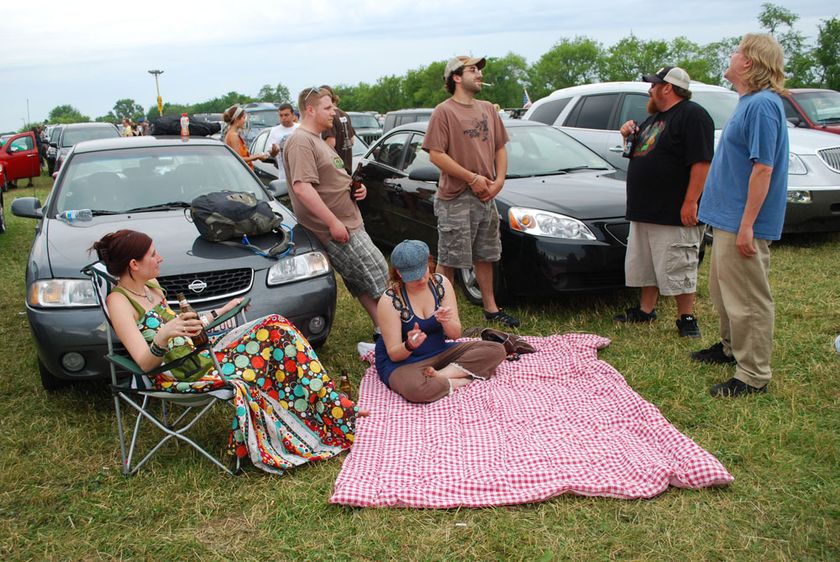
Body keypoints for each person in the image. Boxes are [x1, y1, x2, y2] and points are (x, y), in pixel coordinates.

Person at [91, 229, 363, 474]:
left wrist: (222, 311)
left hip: (201, 356)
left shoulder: (152, 288)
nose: (160, 258)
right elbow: (145, 363)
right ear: (134, 264)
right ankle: (330, 413)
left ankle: (330, 406)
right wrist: (162, 336)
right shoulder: (119, 302)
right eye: (153, 254)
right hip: (180, 376)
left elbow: (188, 328)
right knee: (273, 337)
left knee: (276, 327)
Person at [692, 33, 790, 397]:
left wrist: (748, 224)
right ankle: (731, 347)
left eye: (736, 52)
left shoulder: (762, 105)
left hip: (741, 222)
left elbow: (763, 168)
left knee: (747, 298)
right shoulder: (748, 101)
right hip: (727, 219)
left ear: (748, 62)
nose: (731, 56)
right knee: (723, 292)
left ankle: (753, 375)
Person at [614, 66, 714, 338]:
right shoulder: (654, 119)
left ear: (668, 88)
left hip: (673, 210)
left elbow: (701, 161)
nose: (650, 90)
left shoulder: (693, 115)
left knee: (679, 264)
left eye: (654, 85)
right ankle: (646, 310)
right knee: (646, 264)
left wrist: (691, 201)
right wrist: (626, 136)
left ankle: (686, 317)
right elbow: (639, 154)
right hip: (646, 210)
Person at [283, 87, 389, 337]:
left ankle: (383, 330)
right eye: (328, 107)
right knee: (380, 277)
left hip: (348, 221)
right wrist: (332, 223)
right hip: (338, 228)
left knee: (360, 281)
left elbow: (330, 179)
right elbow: (302, 188)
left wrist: (355, 189)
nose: (334, 112)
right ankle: (397, 332)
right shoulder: (301, 141)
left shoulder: (317, 140)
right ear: (310, 110)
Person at [422, 55, 519, 328]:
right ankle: (444, 315)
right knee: (449, 258)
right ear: (456, 77)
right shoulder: (444, 112)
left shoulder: (488, 109)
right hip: (455, 198)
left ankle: (491, 308)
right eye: (473, 70)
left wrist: (499, 181)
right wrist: (471, 178)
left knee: (486, 254)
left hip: (486, 195)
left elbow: (500, 148)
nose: (479, 74)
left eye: (479, 70)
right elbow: (436, 155)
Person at [375, 240, 506, 403]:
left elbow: (455, 335)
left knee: (496, 350)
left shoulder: (440, 284)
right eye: (414, 277)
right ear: (400, 273)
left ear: (428, 263)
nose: (421, 279)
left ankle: (441, 376)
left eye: (423, 271)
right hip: (405, 363)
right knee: (416, 389)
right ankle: (460, 381)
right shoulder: (390, 300)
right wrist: (409, 345)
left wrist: (446, 321)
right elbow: (394, 355)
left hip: (441, 351)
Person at [222, 104, 276, 169]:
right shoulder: (233, 136)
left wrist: (256, 156)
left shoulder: (230, 133)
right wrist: (257, 157)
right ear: (236, 119)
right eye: (244, 118)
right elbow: (238, 159)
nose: (245, 121)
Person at [319, 85, 355, 175]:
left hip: (335, 170)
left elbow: (331, 143)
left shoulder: (329, 116)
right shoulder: (345, 114)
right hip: (347, 167)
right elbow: (352, 140)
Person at [266, 102, 299, 182]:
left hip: (300, 174)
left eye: (286, 115)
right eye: (281, 115)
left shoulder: (300, 128)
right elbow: (271, 153)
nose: (283, 118)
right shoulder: (274, 131)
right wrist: (274, 151)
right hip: (284, 177)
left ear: (293, 115)